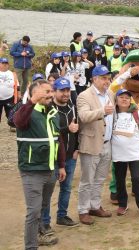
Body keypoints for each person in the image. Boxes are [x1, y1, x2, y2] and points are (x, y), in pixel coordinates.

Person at [14, 79, 66, 248]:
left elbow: (59, 141)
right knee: (33, 212)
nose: (50, 94)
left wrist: (62, 165)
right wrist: (32, 101)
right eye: (46, 91)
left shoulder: (53, 113)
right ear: (34, 93)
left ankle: (40, 234)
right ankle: (31, 246)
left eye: (51, 91)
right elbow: (18, 122)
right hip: (32, 170)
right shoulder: (25, 111)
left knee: (43, 207)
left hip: (50, 170)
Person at [77, 65, 115, 225]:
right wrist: (102, 111)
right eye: (104, 78)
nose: (107, 81)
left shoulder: (111, 94)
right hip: (91, 143)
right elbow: (84, 116)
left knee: (100, 178)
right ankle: (83, 210)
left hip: (107, 142)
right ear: (94, 79)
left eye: (108, 78)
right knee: (87, 179)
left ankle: (95, 205)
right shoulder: (84, 96)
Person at [41, 78, 79, 229]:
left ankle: (62, 216)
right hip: (52, 158)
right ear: (54, 91)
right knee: (48, 191)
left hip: (70, 155)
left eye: (67, 90)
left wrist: (77, 147)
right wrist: (67, 129)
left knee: (67, 188)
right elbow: (49, 132)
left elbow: (77, 128)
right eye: (62, 90)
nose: (65, 93)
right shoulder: (48, 109)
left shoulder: (72, 106)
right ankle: (45, 222)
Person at [112, 89, 139, 219]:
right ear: (116, 100)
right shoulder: (112, 114)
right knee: (119, 180)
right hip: (118, 154)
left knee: (137, 178)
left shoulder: (136, 114)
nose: (124, 99)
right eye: (121, 97)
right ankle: (123, 204)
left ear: (130, 101)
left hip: (135, 154)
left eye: (127, 98)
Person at [0, 57, 18, 124]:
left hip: (9, 98)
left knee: (10, 113)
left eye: (6, 63)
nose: (4, 65)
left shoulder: (12, 74)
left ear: (8, 65)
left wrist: (18, 96)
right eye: (3, 63)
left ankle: (12, 125)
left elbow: (17, 86)